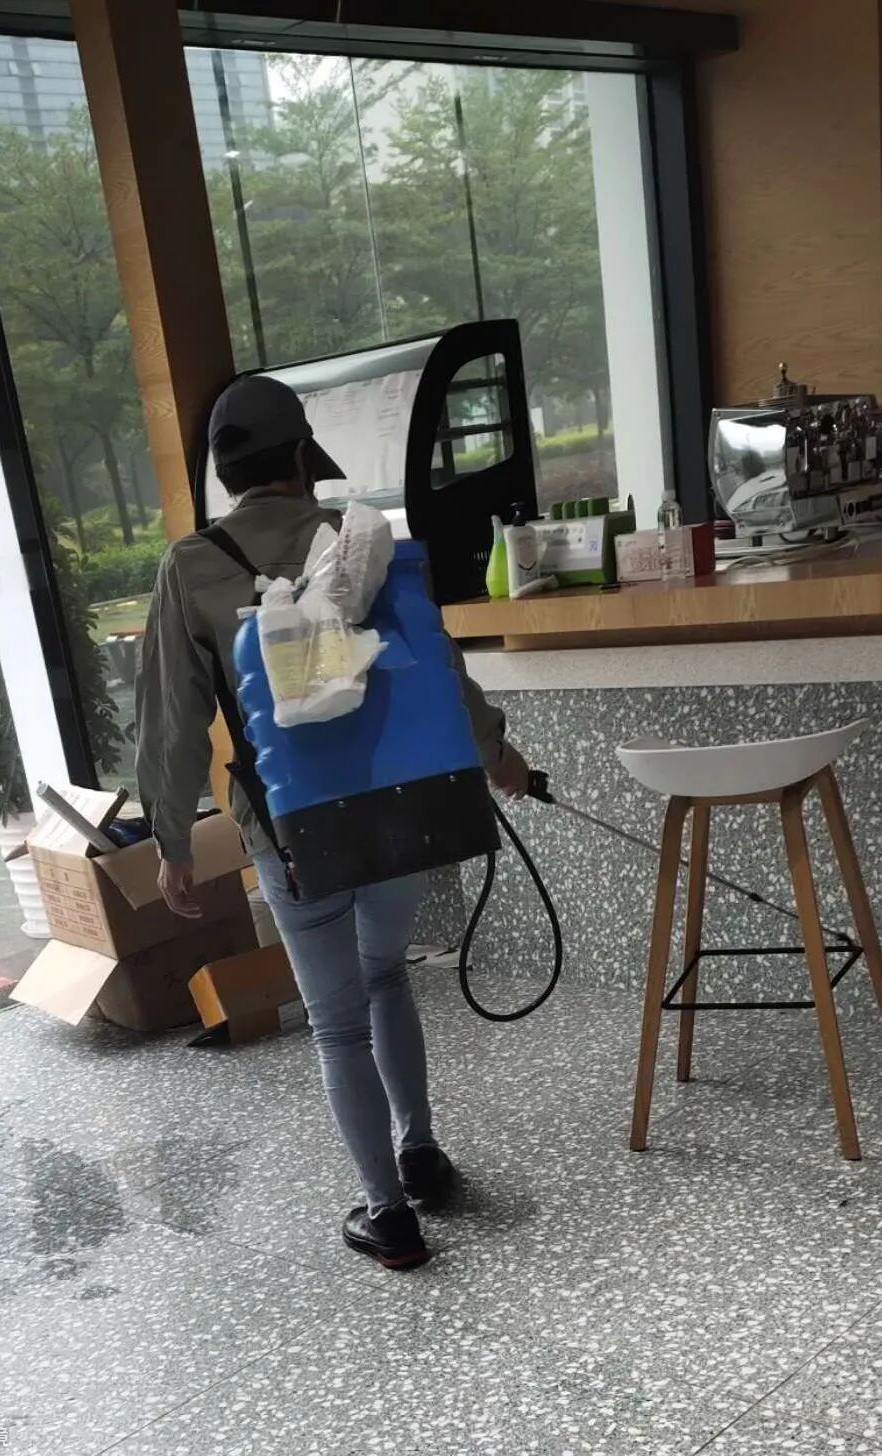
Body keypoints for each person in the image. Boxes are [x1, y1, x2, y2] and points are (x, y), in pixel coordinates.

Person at [136, 374, 529, 1270]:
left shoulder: (190, 566)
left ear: (226, 476)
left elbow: (168, 720)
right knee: (386, 978)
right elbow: (438, 668)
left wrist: (171, 842)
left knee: (337, 1023)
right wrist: (499, 758)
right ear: (302, 457)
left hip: (290, 826)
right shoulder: (354, 540)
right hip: (394, 807)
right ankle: (421, 1154)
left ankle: (389, 1216)